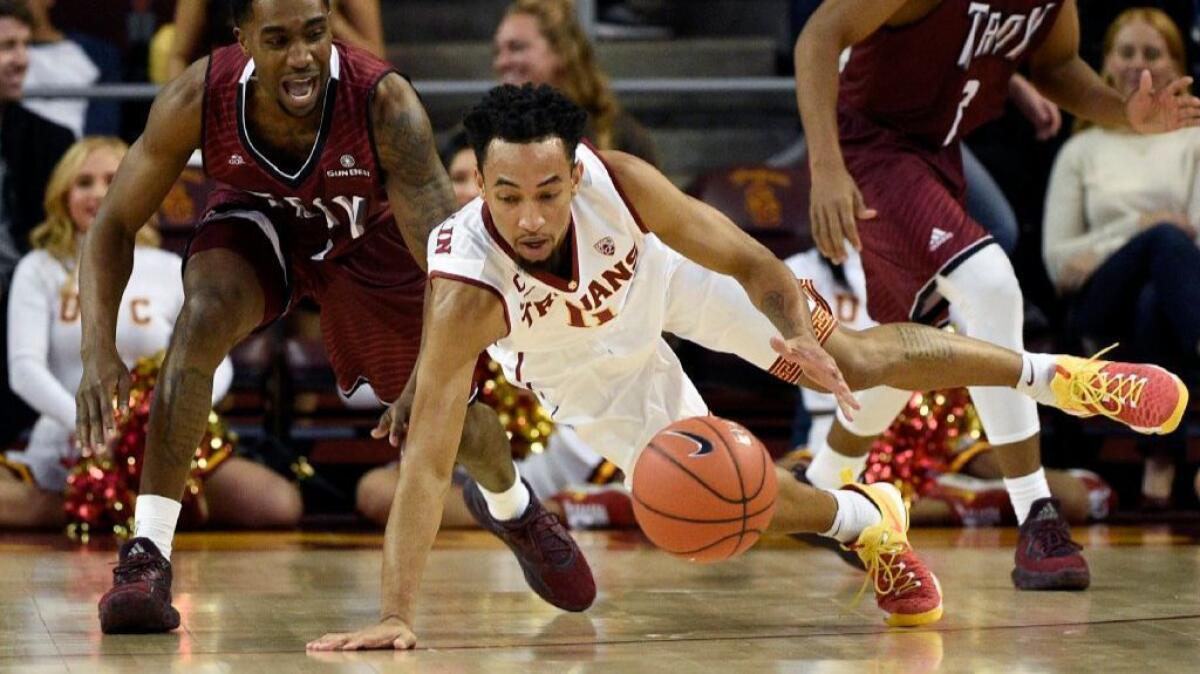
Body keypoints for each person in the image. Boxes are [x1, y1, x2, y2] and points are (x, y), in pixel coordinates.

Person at [307, 84, 1189, 650]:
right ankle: (863, 522)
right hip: (585, 372)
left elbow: (751, 263)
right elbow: (427, 463)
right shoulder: (464, 286)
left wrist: (805, 340)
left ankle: (1064, 376)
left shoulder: (617, 180)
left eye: (546, 192)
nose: (530, 216)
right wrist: (397, 612)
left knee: (856, 352)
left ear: (572, 176)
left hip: (672, 285)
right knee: (717, 503)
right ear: (480, 189)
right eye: (506, 196)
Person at [76, 0, 592, 635]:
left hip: (369, 241)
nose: (301, 57)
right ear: (242, 39)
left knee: (450, 415)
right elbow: (114, 224)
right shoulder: (198, 96)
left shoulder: (385, 103)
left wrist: (430, 380)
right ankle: (147, 556)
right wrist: (98, 347)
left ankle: (515, 508)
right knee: (200, 316)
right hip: (260, 224)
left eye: (315, 35)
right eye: (279, 39)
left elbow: (443, 261)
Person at [794, 0, 1200, 590]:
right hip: (870, 148)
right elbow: (818, 35)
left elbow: (1056, 68)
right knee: (990, 284)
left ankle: (823, 483)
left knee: (906, 350)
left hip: (936, 153)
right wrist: (826, 166)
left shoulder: (1053, 6)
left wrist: (1121, 113)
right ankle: (1036, 515)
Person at [1, 136, 302, 529]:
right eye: (84, 182)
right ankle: (96, 506)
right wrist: (92, 427)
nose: (98, 194)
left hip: (161, 443)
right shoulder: (40, 268)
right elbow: (25, 370)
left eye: (112, 179)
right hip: (68, 443)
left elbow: (218, 362)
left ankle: (112, 509)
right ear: (62, 193)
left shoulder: (168, 266)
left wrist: (169, 416)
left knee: (280, 504)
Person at [784, 247, 1108, 528]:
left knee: (1075, 497)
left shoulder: (938, 261)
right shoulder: (800, 269)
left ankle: (935, 499)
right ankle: (962, 502)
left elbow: (984, 349)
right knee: (775, 491)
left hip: (943, 426)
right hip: (845, 423)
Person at [1043, 8, 1200, 511]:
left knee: (1157, 295)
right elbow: (1058, 261)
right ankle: (1162, 462)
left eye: (1153, 53)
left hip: (1173, 298)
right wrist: (1137, 231)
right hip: (1097, 312)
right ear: (1105, 63)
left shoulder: (1193, 141)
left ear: (1177, 66)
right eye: (1126, 52)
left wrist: (1119, 244)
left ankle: (1159, 469)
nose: (1138, 64)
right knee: (1163, 242)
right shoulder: (1081, 149)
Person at [0, 0, 75, 448]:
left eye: (25, 45)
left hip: (28, 304)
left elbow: (62, 242)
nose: (23, 59)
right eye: (7, 46)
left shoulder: (53, 140)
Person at [494, 0, 658, 165]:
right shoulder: (487, 137)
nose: (501, 62)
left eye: (516, 48)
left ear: (561, 50)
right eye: (498, 51)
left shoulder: (621, 136)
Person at [164, 0, 384, 81]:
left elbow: (377, 62)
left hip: (318, 94)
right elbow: (178, 56)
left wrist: (325, 18)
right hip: (234, 99)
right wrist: (188, 110)